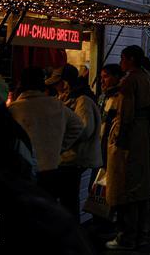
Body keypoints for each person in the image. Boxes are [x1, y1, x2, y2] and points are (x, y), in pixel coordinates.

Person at [106, 45, 150, 250]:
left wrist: (119, 142)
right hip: (143, 136)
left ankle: (126, 236)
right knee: (140, 188)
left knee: (125, 187)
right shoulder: (146, 77)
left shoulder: (130, 80)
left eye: (122, 58)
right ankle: (140, 233)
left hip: (130, 139)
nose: (120, 63)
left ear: (129, 59)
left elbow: (126, 114)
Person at [9, 66, 84, 207]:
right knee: (48, 211)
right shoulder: (56, 105)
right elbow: (78, 126)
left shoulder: (14, 109)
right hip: (52, 170)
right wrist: (60, 146)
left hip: (26, 173)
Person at [50, 63, 102, 217]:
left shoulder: (82, 100)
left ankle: (71, 233)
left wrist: (60, 142)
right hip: (69, 158)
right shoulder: (68, 97)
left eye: (57, 83)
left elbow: (84, 129)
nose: (55, 87)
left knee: (68, 199)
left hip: (74, 158)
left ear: (65, 83)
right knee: (68, 198)